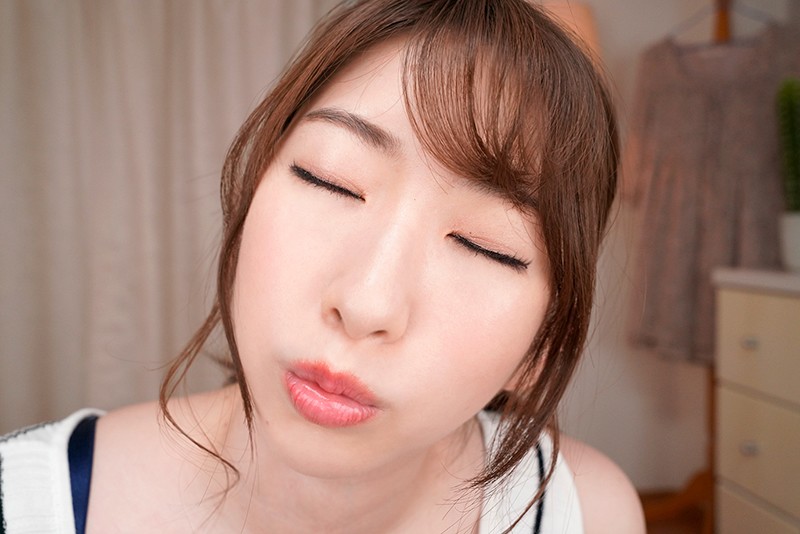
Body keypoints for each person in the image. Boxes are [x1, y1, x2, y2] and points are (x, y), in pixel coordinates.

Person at [0, 0, 645, 532]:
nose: (366, 304)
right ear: (250, 190)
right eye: (329, 179)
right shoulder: (29, 502)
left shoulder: (588, 513)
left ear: (543, 341)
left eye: (485, 246)